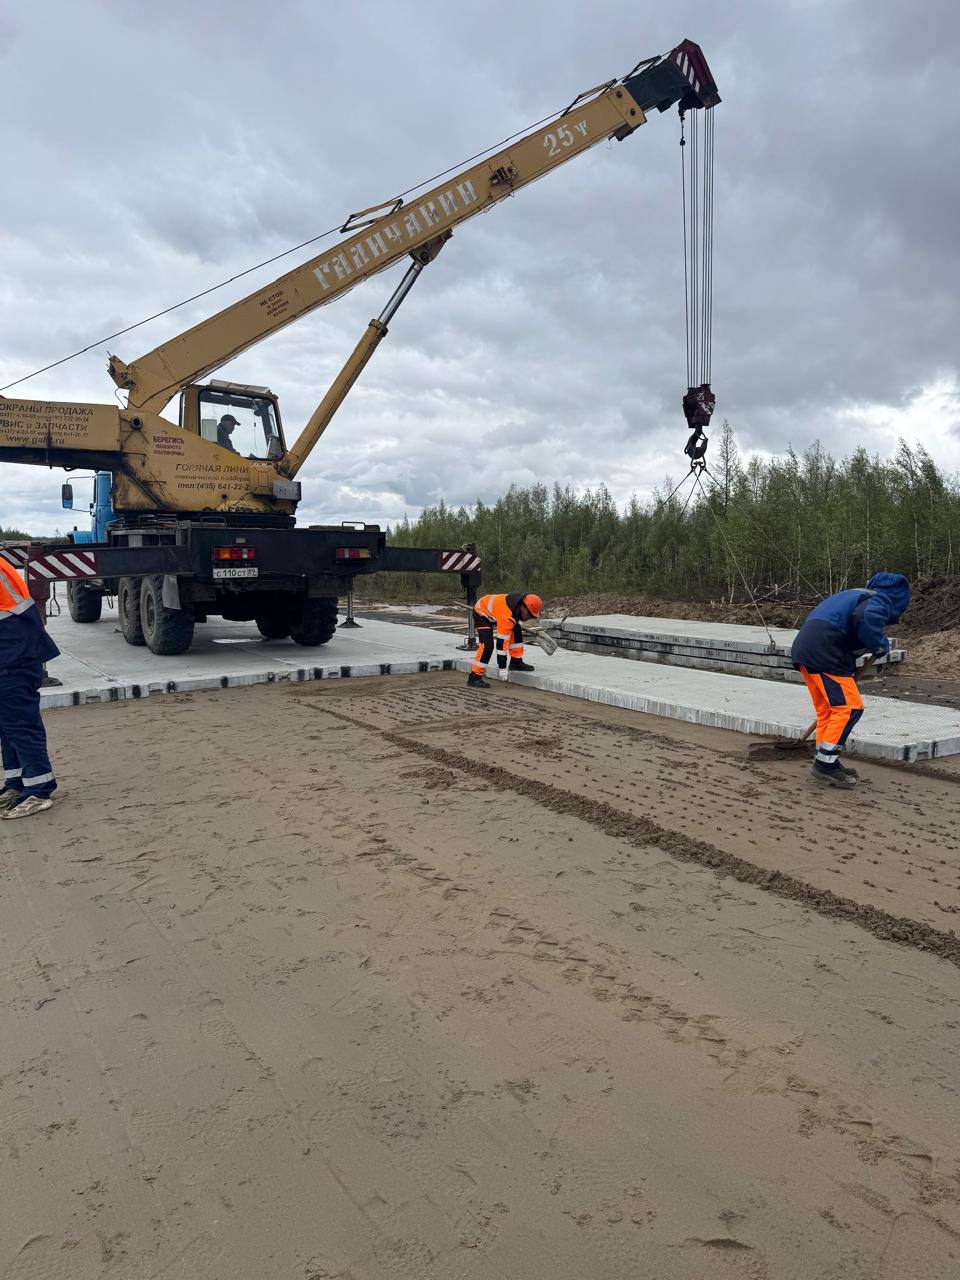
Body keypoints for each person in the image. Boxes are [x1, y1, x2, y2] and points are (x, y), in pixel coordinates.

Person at [791, 572, 910, 789]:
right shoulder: (878, 600)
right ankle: (825, 766)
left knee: (829, 710)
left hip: (806, 650)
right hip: (825, 652)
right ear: (898, 598)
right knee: (849, 708)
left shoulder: (855, 595)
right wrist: (879, 644)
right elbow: (868, 618)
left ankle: (825, 758)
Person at [0, 557, 60, 818]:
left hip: (14, 655)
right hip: (13, 651)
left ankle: (39, 789)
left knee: (20, 724)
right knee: (7, 725)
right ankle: (17, 783)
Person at [467, 592, 542, 689]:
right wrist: (502, 668)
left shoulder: (519, 603)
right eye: (530, 615)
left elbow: (513, 615)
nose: (529, 618)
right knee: (487, 645)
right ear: (523, 608)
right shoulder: (507, 617)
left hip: (495, 610)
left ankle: (516, 662)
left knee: (516, 629)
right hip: (481, 611)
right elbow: (501, 645)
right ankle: (474, 677)